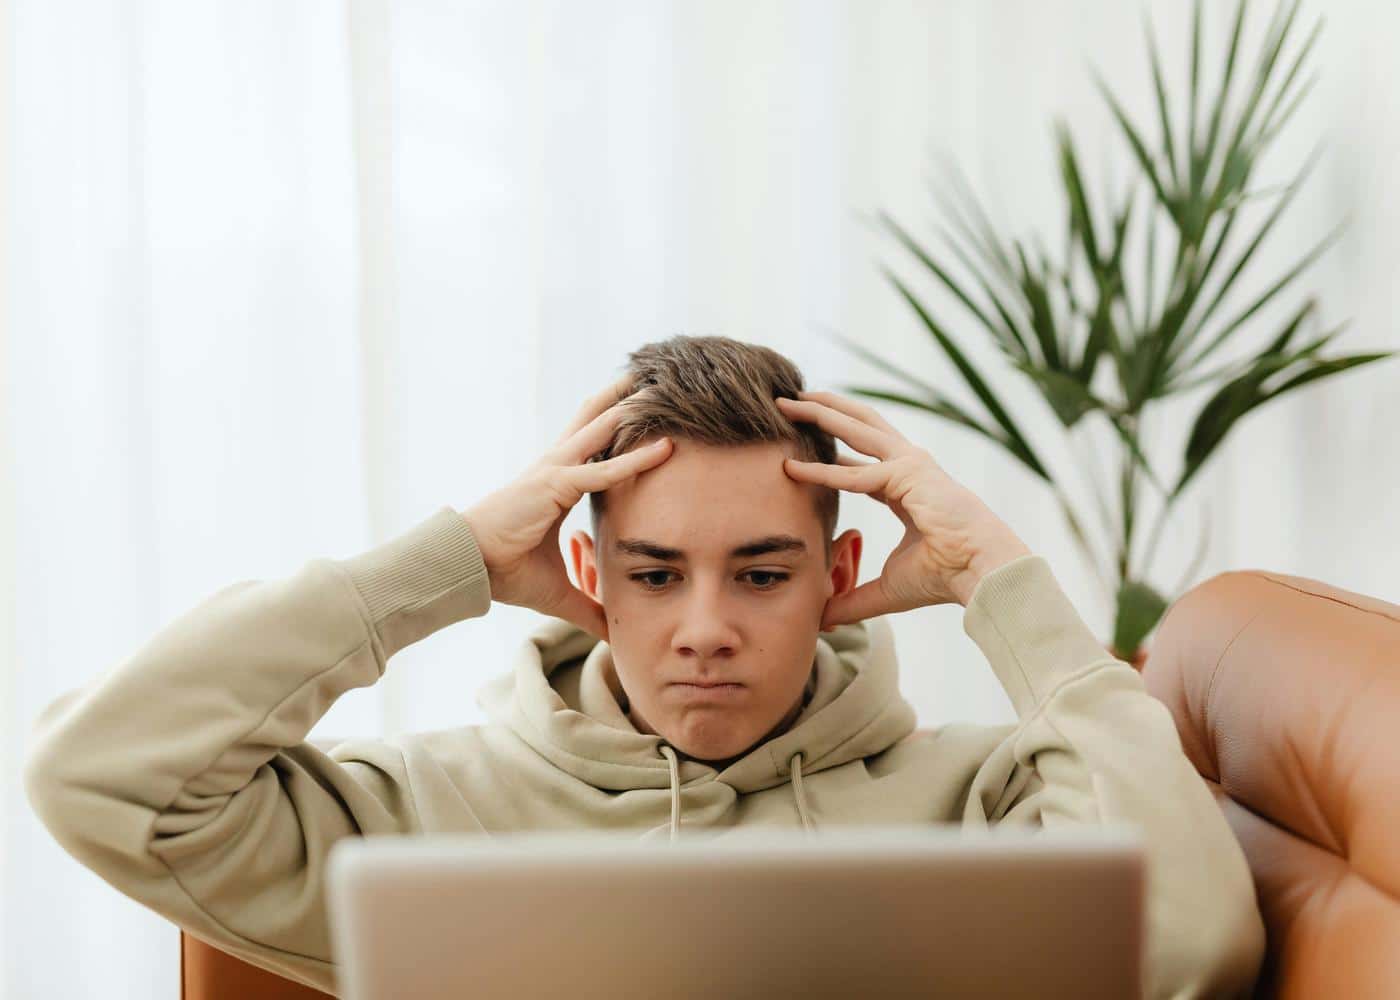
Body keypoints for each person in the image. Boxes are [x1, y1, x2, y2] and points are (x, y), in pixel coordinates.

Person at [24, 335, 1264, 998]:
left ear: (837, 581)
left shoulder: (987, 799)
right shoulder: (419, 816)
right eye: (657, 572)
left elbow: (1190, 953)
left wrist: (1001, 581)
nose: (705, 627)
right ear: (586, 570)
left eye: (763, 573)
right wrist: (444, 563)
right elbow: (94, 777)